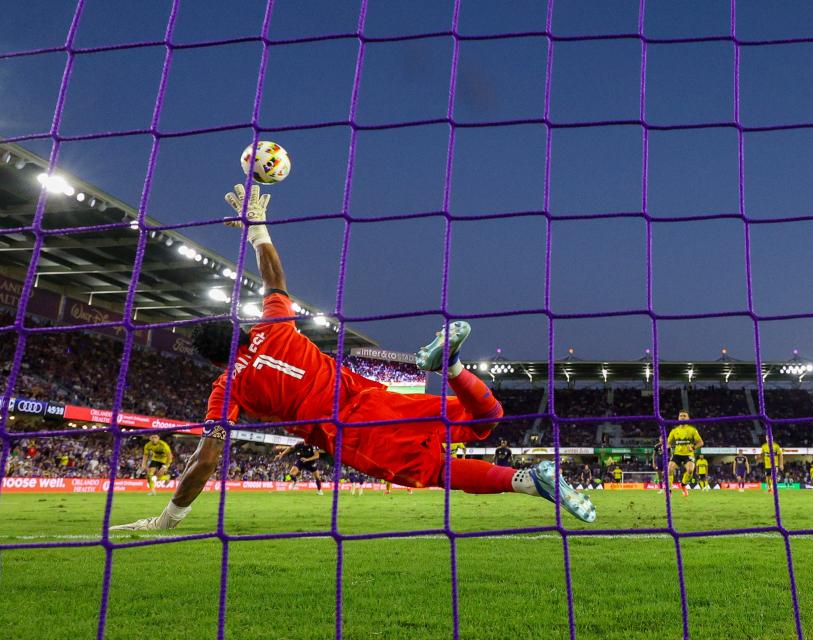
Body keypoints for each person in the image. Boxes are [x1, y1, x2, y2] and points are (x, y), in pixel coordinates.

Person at [111, 185, 595, 531]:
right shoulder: (272, 324)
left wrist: (168, 517)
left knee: (434, 471)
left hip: (355, 431)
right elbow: (275, 281)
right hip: (377, 397)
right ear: (238, 327)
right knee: (484, 421)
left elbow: (207, 456)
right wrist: (257, 229)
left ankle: (527, 482)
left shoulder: (226, 388)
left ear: (214, 361)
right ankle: (450, 368)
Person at [667, 412, 703, 498]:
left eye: (684, 416)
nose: (682, 417)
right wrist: (666, 447)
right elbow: (668, 443)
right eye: (681, 416)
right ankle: (669, 490)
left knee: (690, 470)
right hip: (677, 454)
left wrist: (693, 448)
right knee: (669, 469)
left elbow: (701, 442)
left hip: (688, 454)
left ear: (688, 418)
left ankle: (683, 485)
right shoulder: (674, 431)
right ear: (678, 418)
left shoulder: (692, 430)